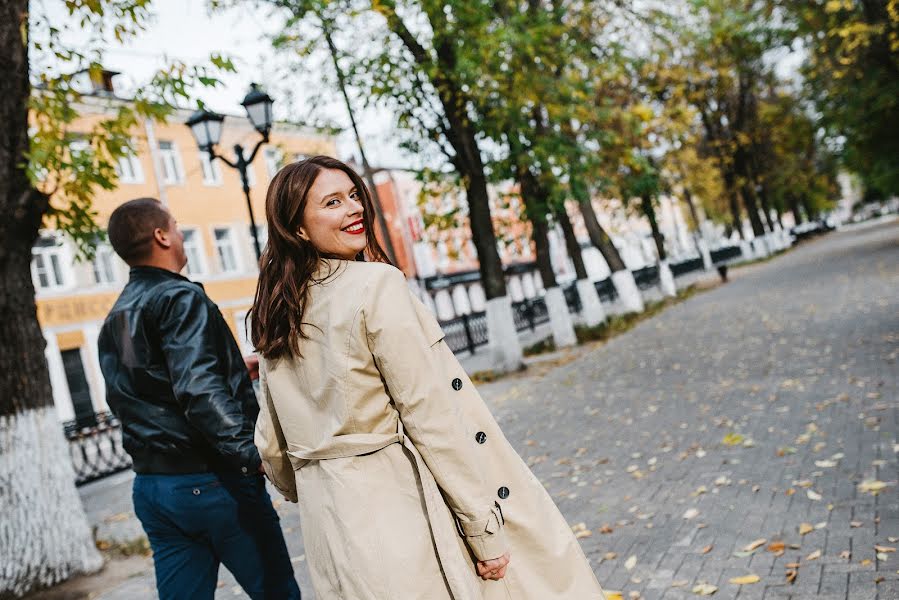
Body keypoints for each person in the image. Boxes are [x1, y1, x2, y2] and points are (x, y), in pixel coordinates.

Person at [251, 156, 605, 599]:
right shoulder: (376, 286)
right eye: (333, 202)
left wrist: (310, 480)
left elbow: (270, 441)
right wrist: (482, 530)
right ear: (298, 228)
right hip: (400, 513)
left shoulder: (277, 310)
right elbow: (429, 416)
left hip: (330, 532)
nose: (355, 208)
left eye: (355, 195)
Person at [97, 198, 301, 600]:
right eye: (175, 225)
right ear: (161, 236)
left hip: (154, 488)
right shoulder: (180, 298)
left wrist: (231, 368)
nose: (179, 232)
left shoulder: (117, 314)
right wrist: (252, 454)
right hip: (211, 482)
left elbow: (145, 386)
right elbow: (197, 390)